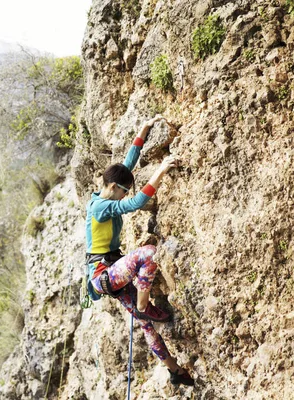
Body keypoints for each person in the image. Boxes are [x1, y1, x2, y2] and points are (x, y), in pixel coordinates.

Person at [85, 116, 194, 386]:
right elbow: (135, 203)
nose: (124, 194)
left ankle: (174, 370)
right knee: (148, 252)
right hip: (104, 274)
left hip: (109, 274)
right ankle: (144, 304)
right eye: (122, 190)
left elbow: (127, 164)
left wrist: (144, 130)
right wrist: (162, 170)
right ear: (112, 188)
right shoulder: (102, 207)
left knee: (145, 325)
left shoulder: (106, 193)